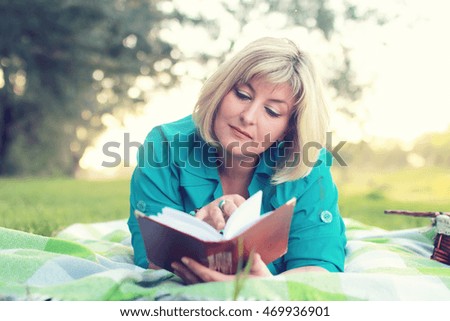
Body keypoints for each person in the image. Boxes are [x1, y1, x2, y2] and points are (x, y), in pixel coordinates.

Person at [128, 37, 346, 284]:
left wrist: (264, 286)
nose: (248, 116)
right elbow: (152, 259)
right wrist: (196, 230)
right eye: (242, 95)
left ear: (289, 129)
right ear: (221, 90)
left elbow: (318, 267)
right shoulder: (163, 147)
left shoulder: (308, 166)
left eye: (272, 111)